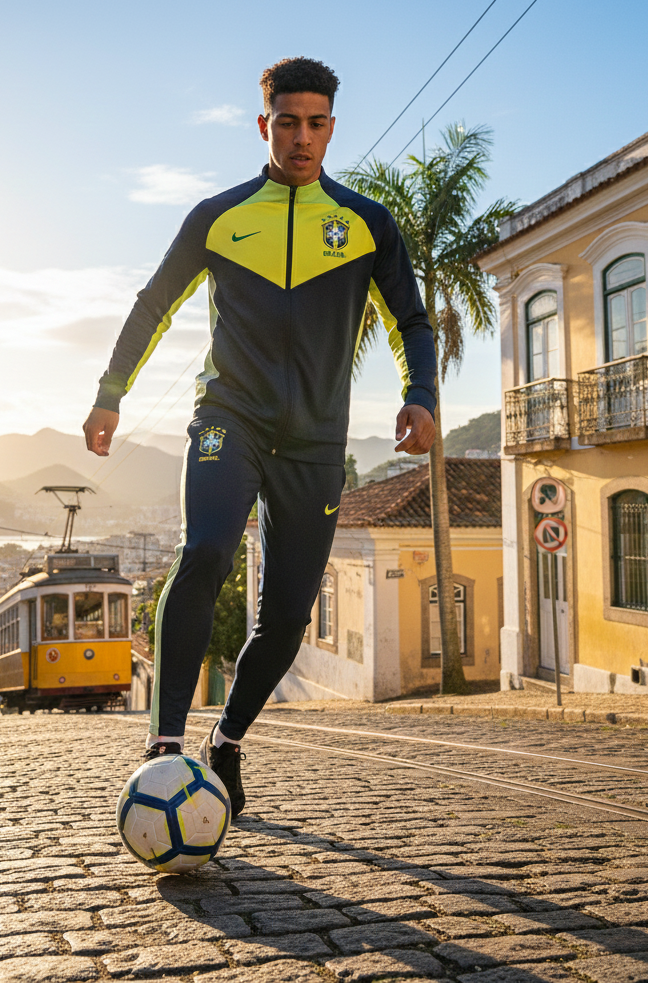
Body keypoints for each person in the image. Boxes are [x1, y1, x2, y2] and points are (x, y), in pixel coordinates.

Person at [83, 57, 436, 816]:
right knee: (206, 548)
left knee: (286, 615)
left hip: (315, 441)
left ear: (332, 128)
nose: (302, 138)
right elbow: (154, 304)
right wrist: (111, 395)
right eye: (287, 122)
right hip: (229, 418)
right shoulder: (218, 216)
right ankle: (165, 746)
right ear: (263, 125)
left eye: (316, 123)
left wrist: (422, 393)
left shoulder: (367, 224)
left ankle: (230, 741)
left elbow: (411, 318)